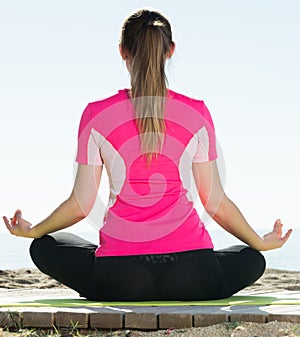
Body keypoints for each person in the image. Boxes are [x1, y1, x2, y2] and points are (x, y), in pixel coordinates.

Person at [3, 9, 292, 301]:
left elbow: (81, 204)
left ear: (122, 51)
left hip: (121, 277)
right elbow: (215, 202)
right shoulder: (197, 112)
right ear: (171, 51)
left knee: (43, 246)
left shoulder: (97, 113)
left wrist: (35, 229)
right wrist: (259, 241)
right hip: (194, 274)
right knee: (252, 258)